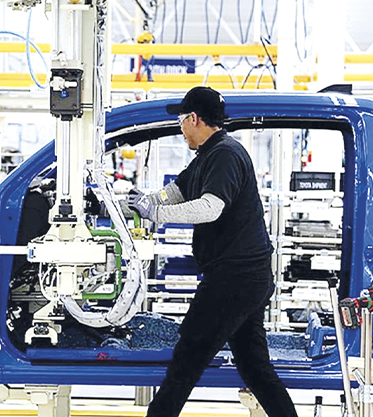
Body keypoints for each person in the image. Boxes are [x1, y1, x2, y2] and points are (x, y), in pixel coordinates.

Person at [127, 86, 298, 417]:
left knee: (187, 357)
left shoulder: (226, 154)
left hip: (234, 279)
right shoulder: (207, 156)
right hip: (245, 278)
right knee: (254, 367)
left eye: (181, 121)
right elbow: (173, 193)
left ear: (193, 118)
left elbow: (210, 207)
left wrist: (155, 213)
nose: (180, 129)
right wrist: (136, 203)